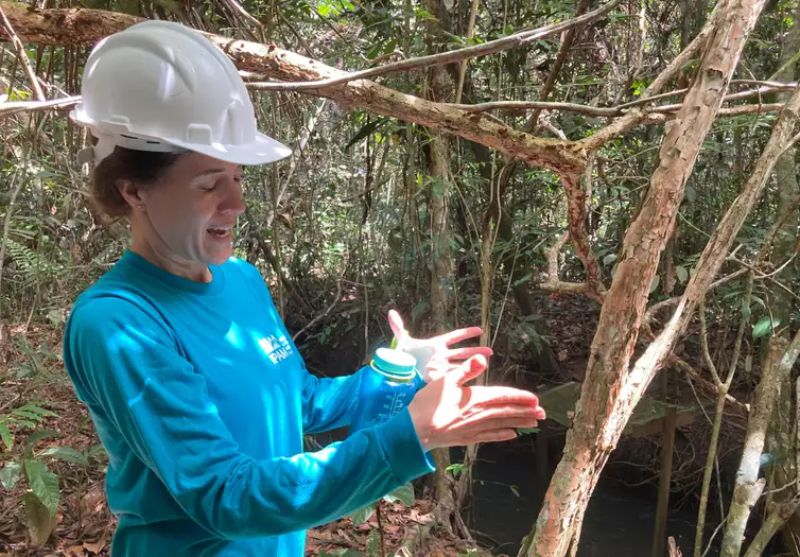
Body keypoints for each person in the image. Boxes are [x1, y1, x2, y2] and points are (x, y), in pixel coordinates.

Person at [62, 20, 546, 557]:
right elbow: (225, 495)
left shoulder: (241, 280)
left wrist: (400, 371)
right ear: (134, 190)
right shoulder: (117, 323)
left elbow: (298, 403)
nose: (236, 203)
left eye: (238, 177)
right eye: (208, 183)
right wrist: (413, 436)